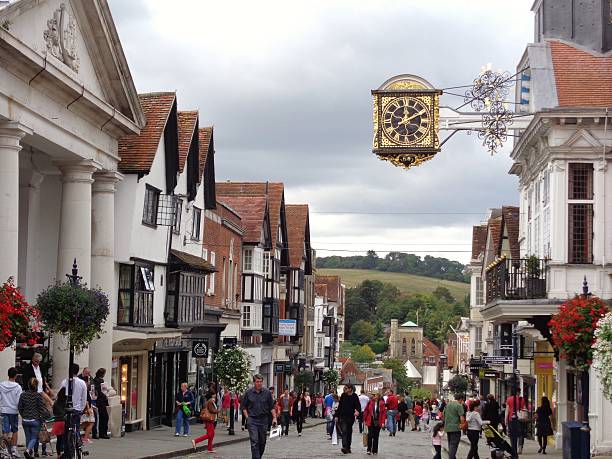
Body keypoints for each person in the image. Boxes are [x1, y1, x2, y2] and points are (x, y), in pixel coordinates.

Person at [242, 374, 277, 459]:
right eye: (257, 382)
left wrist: (274, 418)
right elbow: (244, 407)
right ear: (254, 382)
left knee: (262, 442)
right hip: (252, 420)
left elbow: (271, 407)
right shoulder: (248, 393)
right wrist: (247, 418)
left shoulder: (267, 393)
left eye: (261, 382)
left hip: (263, 420)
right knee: (254, 441)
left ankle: (258, 457)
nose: (259, 383)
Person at [18, 378, 50, 459]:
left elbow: (20, 407)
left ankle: (30, 454)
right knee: (34, 437)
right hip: (35, 420)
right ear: (36, 386)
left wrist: (23, 415)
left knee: (28, 437)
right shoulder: (38, 396)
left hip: (25, 420)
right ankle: (28, 450)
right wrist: (43, 419)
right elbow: (41, 409)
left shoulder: (23, 395)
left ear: (28, 385)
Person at [0, 367, 22, 458]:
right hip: (13, 411)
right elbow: (18, 401)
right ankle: (13, 450)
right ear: (16, 376)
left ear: (8, 374)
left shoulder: (1, 385)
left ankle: (4, 450)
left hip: (4, 410)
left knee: (5, 431)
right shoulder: (18, 387)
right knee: (14, 430)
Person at [335, 383, 361, 454]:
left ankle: (348, 447)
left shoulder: (355, 396)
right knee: (344, 431)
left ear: (350, 389)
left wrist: (357, 411)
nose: (344, 389)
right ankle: (344, 447)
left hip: (350, 417)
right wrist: (336, 416)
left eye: (346, 388)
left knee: (349, 432)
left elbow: (358, 405)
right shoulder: (343, 395)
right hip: (342, 416)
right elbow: (340, 406)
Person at [443, 394, 466, 459]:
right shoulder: (459, 406)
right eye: (462, 400)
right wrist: (462, 425)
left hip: (448, 427)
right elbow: (461, 417)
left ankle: (452, 457)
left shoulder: (447, 405)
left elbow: (443, 415)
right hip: (455, 428)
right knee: (454, 445)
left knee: (450, 444)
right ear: (461, 399)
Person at [505, 389, 526, 453]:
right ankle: (520, 446)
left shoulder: (509, 399)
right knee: (520, 433)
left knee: (512, 434)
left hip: (511, 418)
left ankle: (513, 447)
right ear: (518, 392)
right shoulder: (521, 399)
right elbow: (524, 409)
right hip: (520, 419)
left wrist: (505, 419)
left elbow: (507, 410)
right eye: (519, 392)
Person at [92, 368, 110, 439]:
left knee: (104, 417)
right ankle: (102, 433)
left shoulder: (98, 380)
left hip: (101, 401)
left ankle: (102, 432)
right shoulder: (97, 381)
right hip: (100, 401)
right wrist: (105, 395)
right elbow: (99, 391)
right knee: (104, 417)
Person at [52, 388, 67, 459]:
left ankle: (58, 454)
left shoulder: (56, 403)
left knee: (59, 439)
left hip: (57, 421)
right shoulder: (67, 402)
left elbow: (54, 412)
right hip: (64, 421)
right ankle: (63, 452)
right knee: (65, 438)